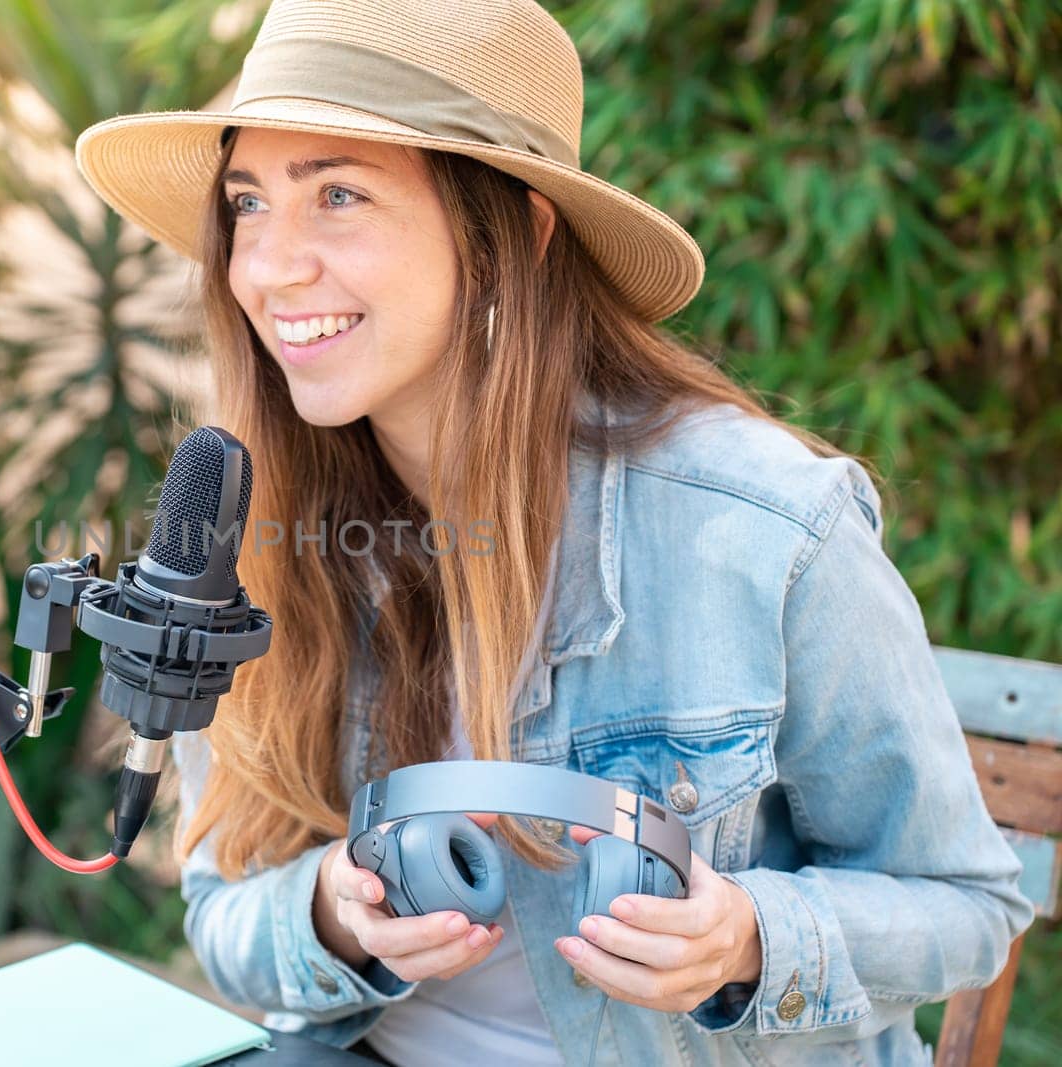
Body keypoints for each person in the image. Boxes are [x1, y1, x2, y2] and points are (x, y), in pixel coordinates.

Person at [74, 1, 1034, 1063]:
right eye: (247, 202)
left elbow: (967, 906)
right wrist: (334, 914)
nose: (267, 265)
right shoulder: (244, 534)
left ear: (511, 239)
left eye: (338, 194)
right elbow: (221, 917)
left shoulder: (764, 522)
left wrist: (747, 940)